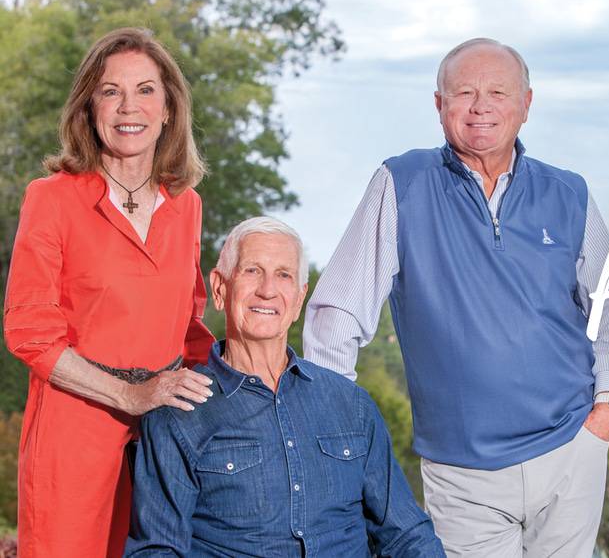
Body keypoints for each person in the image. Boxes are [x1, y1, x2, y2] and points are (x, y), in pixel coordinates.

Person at [303, 38, 609, 556]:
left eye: (498, 92)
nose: (481, 106)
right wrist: (340, 428)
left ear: (526, 104)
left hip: (571, 450)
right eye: (464, 92)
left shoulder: (567, 192)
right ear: (439, 105)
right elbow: (336, 313)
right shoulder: (402, 183)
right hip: (462, 472)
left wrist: (608, 406)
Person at [3, 28, 216, 557]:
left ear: (169, 108)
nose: (129, 107)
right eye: (110, 91)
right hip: (72, 436)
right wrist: (128, 394)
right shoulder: (51, 199)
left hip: (162, 439)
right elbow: (29, 334)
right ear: (88, 107)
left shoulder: (185, 204)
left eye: (145, 90)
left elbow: (189, 327)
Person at [125, 217, 445, 557]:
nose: (267, 289)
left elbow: (406, 534)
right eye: (252, 271)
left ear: (298, 299)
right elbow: (156, 550)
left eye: (284, 275)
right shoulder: (180, 415)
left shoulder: (351, 405)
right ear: (220, 289)